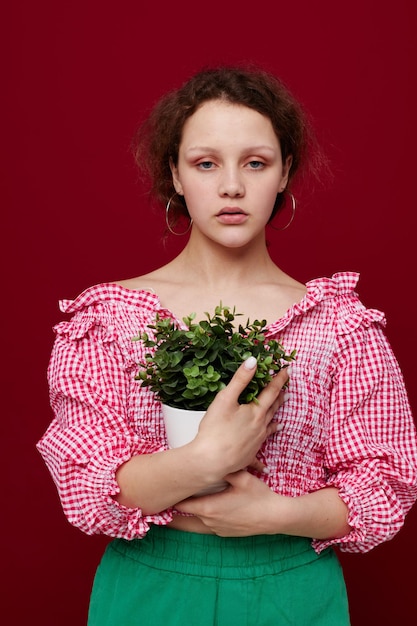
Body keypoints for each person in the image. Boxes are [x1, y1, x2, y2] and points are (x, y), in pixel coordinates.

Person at [37, 65, 417, 625]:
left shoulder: (338, 325)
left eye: (256, 163)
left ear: (285, 172)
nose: (232, 186)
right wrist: (201, 462)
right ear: (176, 173)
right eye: (206, 163)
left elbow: (383, 486)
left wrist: (278, 512)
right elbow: (86, 483)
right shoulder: (109, 319)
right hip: (151, 585)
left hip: (291, 589)